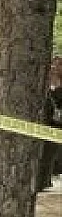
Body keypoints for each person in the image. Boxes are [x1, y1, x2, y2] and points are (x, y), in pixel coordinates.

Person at [40, 55, 62, 191]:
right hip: (44, 121)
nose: (54, 67)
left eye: (58, 65)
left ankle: (44, 180)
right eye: (53, 64)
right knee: (43, 152)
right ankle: (43, 180)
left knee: (50, 152)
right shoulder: (44, 81)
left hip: (57, 123)